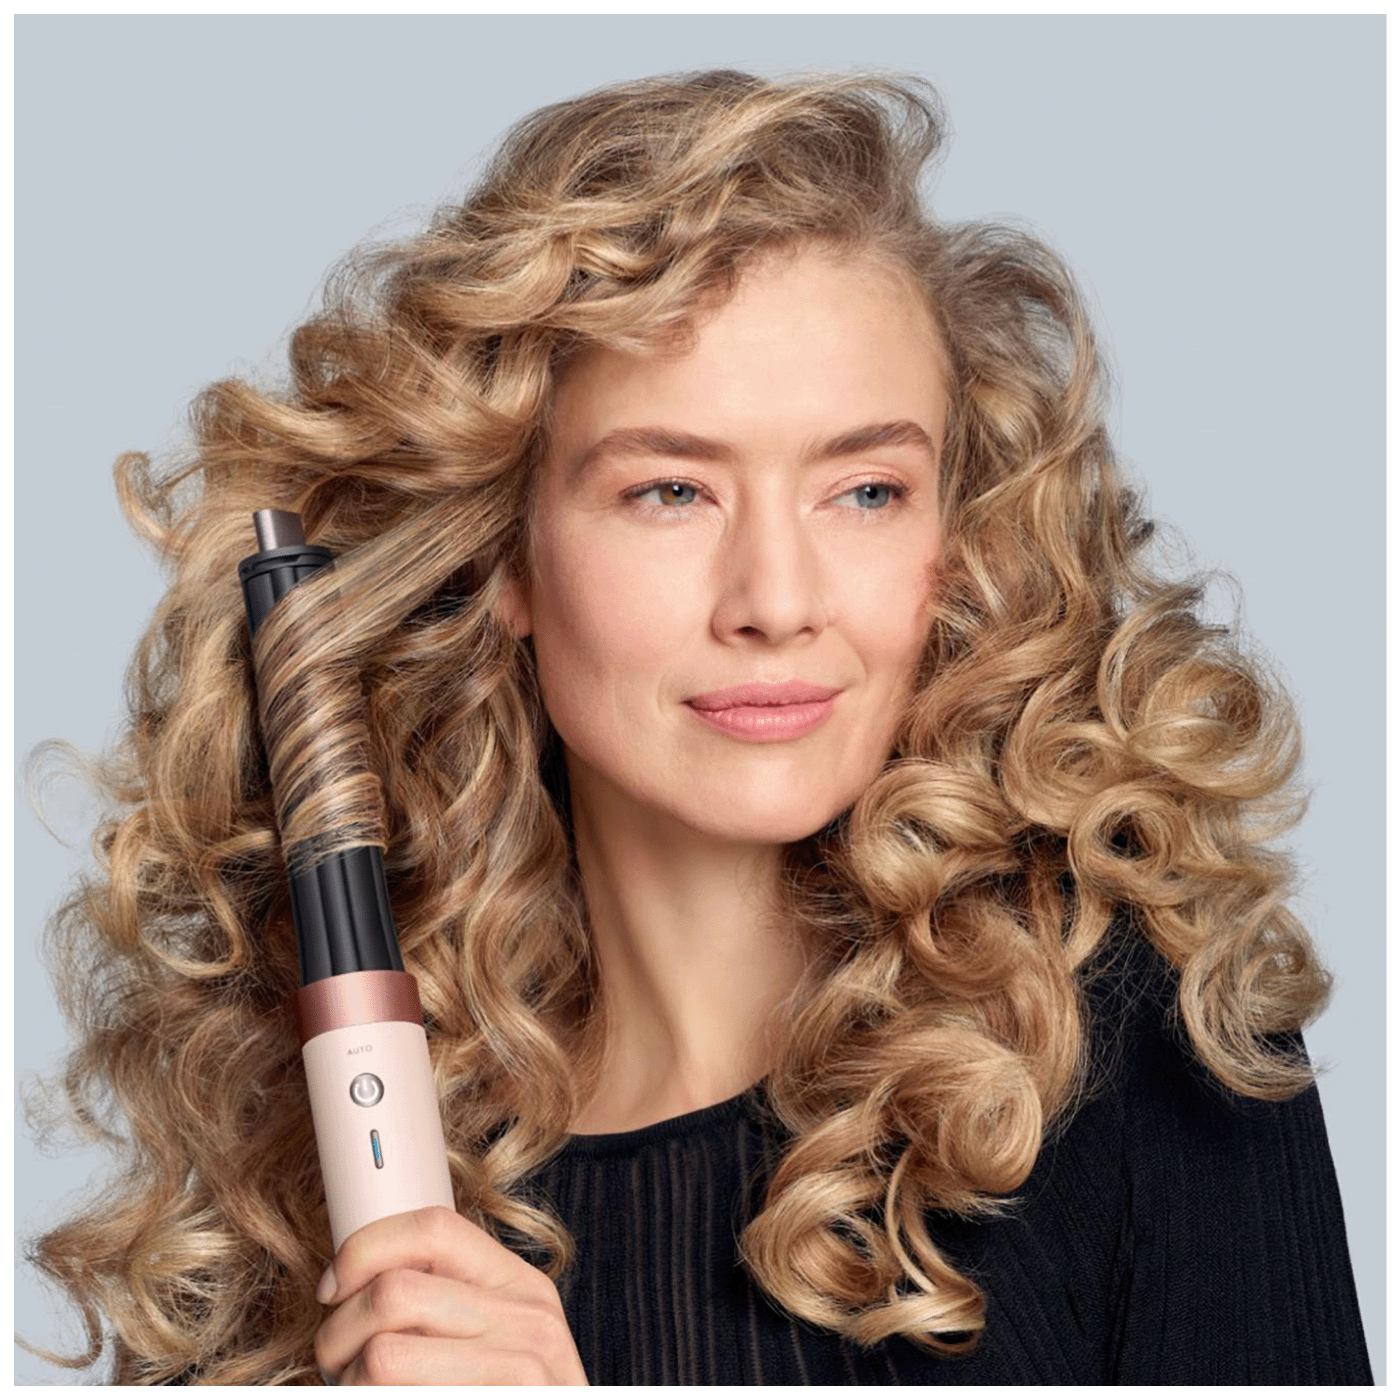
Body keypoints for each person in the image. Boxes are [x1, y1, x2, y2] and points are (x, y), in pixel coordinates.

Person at [18, 68, 1372, 1386]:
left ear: (955, 537)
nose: (776, 602)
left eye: (865, 491)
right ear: (504, 557)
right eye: (671, 491)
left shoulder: (1137, 1041)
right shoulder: (334, 1163)